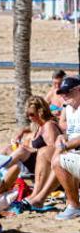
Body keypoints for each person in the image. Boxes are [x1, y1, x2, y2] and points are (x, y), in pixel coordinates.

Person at [3, 96, 62, 208]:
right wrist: (22, 131)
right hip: (35, 164)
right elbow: (30, 129)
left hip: (46, 167)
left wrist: (30, 149)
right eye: (28, 115)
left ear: (40, 112)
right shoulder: (39, 125)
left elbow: (53, 150)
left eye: (32, 115)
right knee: (7, 148)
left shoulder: (49, 126)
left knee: (21, 150)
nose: (30, 118)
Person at [48, 77, 80, 220]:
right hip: (74, 151)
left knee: (57, 161)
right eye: (62, 93)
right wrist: (63, 137)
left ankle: (73, 206)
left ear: (78, 90)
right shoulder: (68, 108)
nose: (64, 96)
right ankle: (38, 196)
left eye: (68, 92)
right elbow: (68, 130)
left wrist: (65, 144)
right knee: (46, 155)